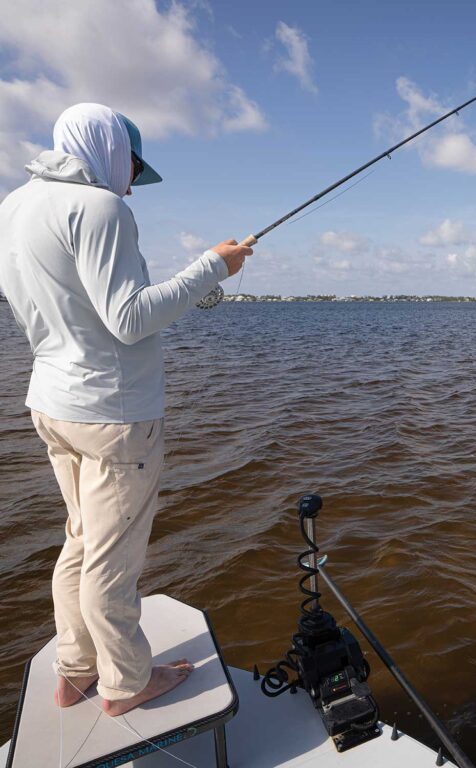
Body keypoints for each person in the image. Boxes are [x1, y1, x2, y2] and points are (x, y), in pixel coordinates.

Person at [0, 103, 251, 715]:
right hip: (114, 416)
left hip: (52, 405)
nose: (132, 184)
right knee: (112, 561)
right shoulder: (101, 208)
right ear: (111, 149)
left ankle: (76, 671)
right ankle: (126, 683)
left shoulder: (13, 207)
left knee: (81, 541)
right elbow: (130, 318)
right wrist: (212, 267)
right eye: (133, 167)